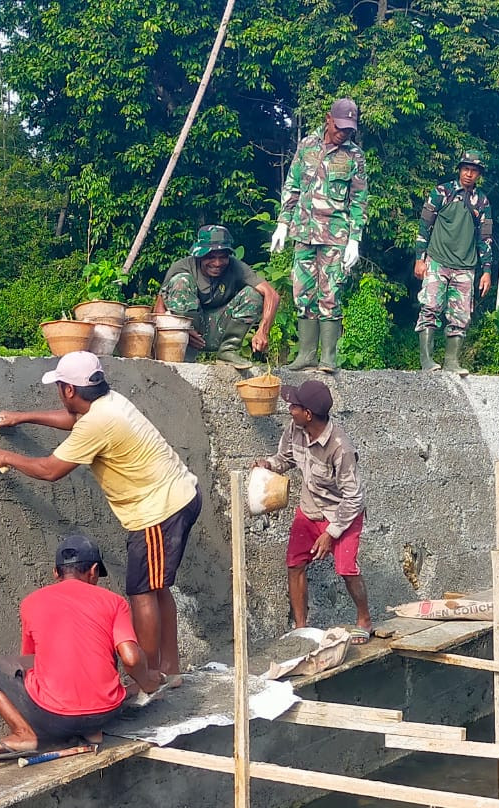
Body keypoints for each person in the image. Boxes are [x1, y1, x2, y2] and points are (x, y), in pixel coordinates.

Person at [0, 352, 201, 682]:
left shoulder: (100, 422)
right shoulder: (107, 403)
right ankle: (167, 670)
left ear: (69, 390)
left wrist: (6, 457)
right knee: (157, 588)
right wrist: (22, 417)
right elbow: (76, 421)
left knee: (142, 592)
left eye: (60, 386)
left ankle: (149, 679)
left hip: (159, 510)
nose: (59, 392)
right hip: (175, 497)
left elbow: (50, 470)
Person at [0, 535, 166, 760]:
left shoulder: (30, 602)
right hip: (105, 714)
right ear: (93, 571)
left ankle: (24, 733)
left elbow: (33, 658)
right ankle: (91, 731)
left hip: (53, 718)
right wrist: (148, 681)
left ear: (56, 573)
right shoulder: (114, 601)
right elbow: (131, 658)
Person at [253, 379, 372, 642]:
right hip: (310, 508)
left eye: (294, 406)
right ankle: (301, 628)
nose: (289, 409)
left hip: (342, 513)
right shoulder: (296, 429)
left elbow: (354, 496)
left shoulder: (341, 448)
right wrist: (268, 465)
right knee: (295, 564)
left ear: (308, 414)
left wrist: (331, 533)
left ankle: (364, 619)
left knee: (346, 569)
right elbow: (285, 459)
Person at [270, 97, 368, 374]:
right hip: (303, 231)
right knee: (303, 292)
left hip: (335, 235)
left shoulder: (354, 156)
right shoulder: (307, 146)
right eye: (340, 128)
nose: (343, 133)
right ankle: (306, 355)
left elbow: (359, 199)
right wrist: (282, 223)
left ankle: (328, 358)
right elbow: (293, 186)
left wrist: (354, 239)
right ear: (328, 119)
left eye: (349, 129)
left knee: (331, 293)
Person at [153, 224, 280, 369]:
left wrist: (263, 331)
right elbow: (159, 310)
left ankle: (228, 351)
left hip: (221, 328)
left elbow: (272, 294)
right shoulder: (182, 266)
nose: (217, 263)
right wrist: (170, 338)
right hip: (185, 333)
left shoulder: (236, 267)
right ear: (199, 255)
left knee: (254, 294)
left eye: (223, 257)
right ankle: (184, 353)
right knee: (181, 281)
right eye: (211, 257)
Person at [414, 151, 494, 375]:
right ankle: (427, 361)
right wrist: (420, 258)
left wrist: (486, 271)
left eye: (474, 170)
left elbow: (485, 238)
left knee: (460, 316)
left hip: (465, 266)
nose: (469, 174)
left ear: (479, 174)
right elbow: (424, 226)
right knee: (430, 308)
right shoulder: (442, 192)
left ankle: (451, 362)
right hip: (437, 260)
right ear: (459, 169)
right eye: (466, 169)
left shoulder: (482, 201)